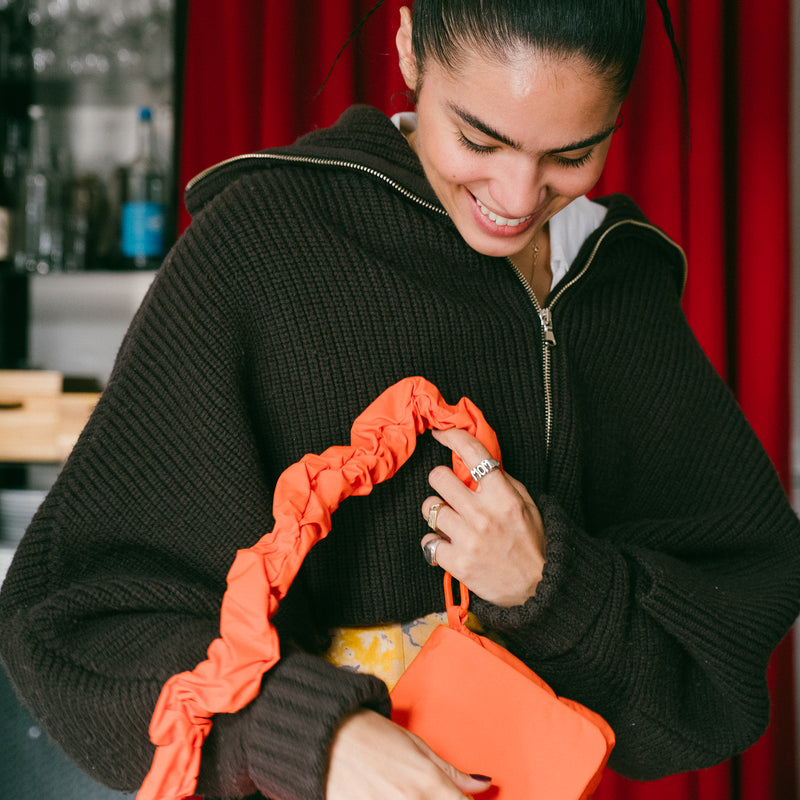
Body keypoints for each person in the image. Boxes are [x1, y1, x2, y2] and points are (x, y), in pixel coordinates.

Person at [1, 1, 799, 798]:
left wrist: (548, 583)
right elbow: (74, 623)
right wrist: (314, 735)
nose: (517, 197)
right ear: (411, 48)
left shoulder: (619, 283)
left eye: (573, 153)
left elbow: (719, 664)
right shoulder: (260, 242)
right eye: (479, 140)